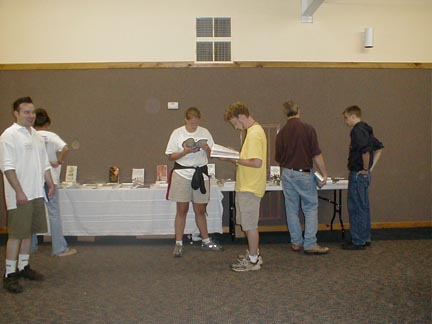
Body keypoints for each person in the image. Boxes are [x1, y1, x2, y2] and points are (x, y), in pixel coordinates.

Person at [0, 97, 55, 293]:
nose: (31, 116)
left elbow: (45, 164)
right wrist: (19, 191)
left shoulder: (36, 136)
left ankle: (23, 267)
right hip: (19, 196)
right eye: (26, 112)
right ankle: (9, 274)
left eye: (32, 112)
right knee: (16, 235)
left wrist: (50, 183)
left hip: (35, 193)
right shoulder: (9, 135)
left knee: (29, 233)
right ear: (16, 113)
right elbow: (7, 168)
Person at [165, 107, 222, 257]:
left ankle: (206, 240)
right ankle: (178, 243)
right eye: (191, 124)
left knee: (201, 210)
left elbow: (212, 154)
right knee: (181, 210)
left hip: (200, 173)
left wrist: (206, 148)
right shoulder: (177, 133)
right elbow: (170, 156)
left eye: (196, 124)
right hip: (182, 173)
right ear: (186, 120)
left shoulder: (205, 132)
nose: (194, 126)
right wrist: (185, 151)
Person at [275, 100, 329, 255]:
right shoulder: (308, 129)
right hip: (304, 172)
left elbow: (278, 157)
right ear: (299, 111)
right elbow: (316, 154)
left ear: (285, 113)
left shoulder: (282, 133)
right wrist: (324, 173)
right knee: (310, 207)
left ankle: (296, 242)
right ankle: (310, 243)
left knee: (291, 208)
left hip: (287, 173)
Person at [222, 102, 267, 272]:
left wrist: (232, 159)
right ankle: (253, 254)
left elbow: (256, 163)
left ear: (241, 117)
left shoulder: (254, 134)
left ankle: (254, 260)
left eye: (234, 123)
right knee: (247, 224)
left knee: (250, 225)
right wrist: (235, 155)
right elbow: (250, 159)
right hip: (246, 185)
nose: (235, 127)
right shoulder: (253, 132)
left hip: (250, 187)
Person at [30, 108, 77, 257]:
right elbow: (65, 148)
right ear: (47, 122)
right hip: (50, 177)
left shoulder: (30, 136)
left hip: (33, 179)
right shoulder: (50, 136)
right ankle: (58, 248)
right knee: (54, 214)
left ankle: (30, 246)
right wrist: (59, 161)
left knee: (32, 213)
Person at [342, 105, 384, 250]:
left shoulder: (357, 131)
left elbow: (365, 151)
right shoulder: (367, 129)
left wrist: (365, 169)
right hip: (364, 175)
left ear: (353, 116)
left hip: (358, 174)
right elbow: (379, 148)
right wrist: (370, 169)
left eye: (346, 118)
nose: (345, 121)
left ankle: (358, 240)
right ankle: (365, 237)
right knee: (363, 206)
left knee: (355, 207)